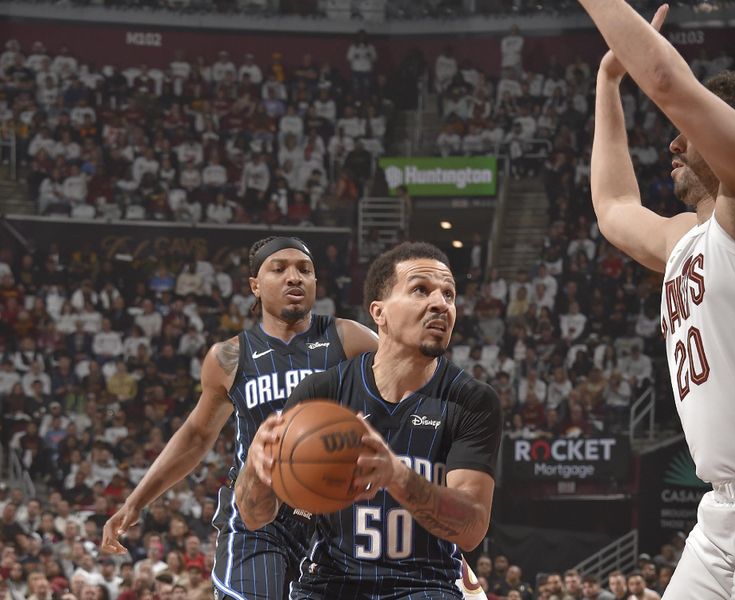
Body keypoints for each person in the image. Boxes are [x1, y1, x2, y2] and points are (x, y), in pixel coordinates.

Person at [583, 1, 735, 598]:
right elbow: (613, 209)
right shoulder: (686, 238)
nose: (675, 144)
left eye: (689, 132)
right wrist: (606, 84)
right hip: (722, 507)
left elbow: (666, 80)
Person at [101, 236, 380, 600]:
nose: (294, 277)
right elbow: (197, 436)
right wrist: (135, 501)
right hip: (257, 514)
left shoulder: (351, 339)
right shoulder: (229, 357)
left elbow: (410, 404)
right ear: (255, 286)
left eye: (304, 270)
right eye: (279, 269)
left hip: (333, 517)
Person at [236, 241, 502, 598]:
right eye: (420, 290)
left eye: (449, 295)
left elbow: (472, 528)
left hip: (423, 585)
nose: (441, 303)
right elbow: (255, 516)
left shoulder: (471, 400)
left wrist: (398, 477)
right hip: (329, 583)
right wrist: (255, 468)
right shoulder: (323, 392)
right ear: (379, 313)